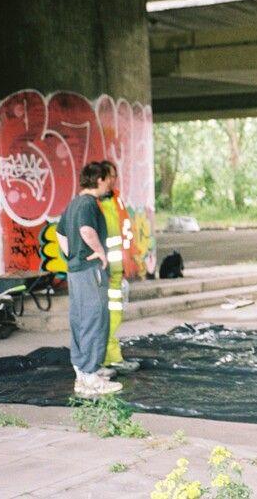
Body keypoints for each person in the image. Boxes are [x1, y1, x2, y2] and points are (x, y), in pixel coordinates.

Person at [56, 161, 123, 397]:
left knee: (80, 319)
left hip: (76, 271)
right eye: (109, 179)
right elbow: (86, 231)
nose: (111, 183)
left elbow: (60, 233)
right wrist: (99, 253)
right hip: (89, 270)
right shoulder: (87, 204)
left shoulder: (74, 203)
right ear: (99, 179)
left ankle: (83, 374)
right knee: (95, 319)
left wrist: (71, 256)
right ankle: (91, 377)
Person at [99, 160, 140, 373]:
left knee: (115, 313)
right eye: (111, 176)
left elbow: (125, 231)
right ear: (101, 178)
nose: (115, 180)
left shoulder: (116, 200)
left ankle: (111, 357)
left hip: (116, 269)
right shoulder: (95, 203)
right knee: (109, 314)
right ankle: (108, 358)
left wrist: (130, 260)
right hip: (103, 271)